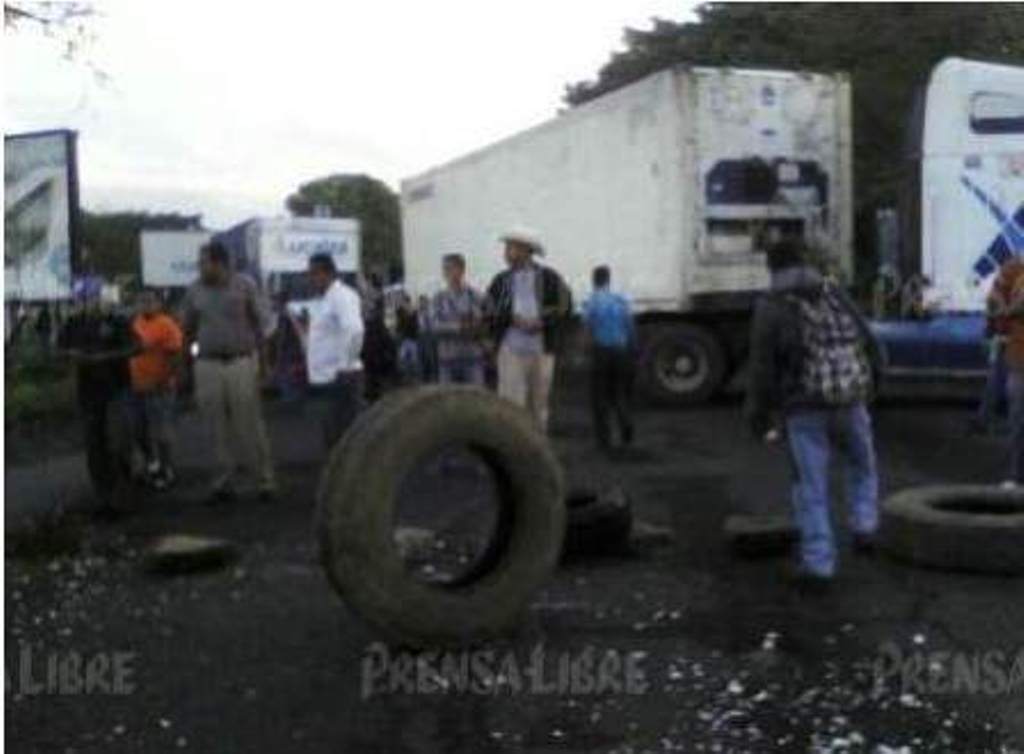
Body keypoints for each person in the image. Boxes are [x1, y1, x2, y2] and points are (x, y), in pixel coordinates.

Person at [744, 240, 883, 588]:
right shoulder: (834, 292)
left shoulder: (771, 306)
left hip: (804, 408)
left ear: (771, 269)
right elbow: (870, 342)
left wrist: (758, 417)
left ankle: (819, 564)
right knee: (862, 465)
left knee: (810, 485)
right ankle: (865, 527)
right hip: (851, 401)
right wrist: (870, 388)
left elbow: (762, 369)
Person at [181, 241, 277, 503]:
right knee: (214, 427)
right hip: (207, 364)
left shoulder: (245, 286)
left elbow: (261, 327)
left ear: (219, 263)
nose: (200, 268)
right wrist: (186, 368)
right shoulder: (194, 291)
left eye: (203, 263)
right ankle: (222, 483)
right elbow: (187, 331)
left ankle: (263, 481)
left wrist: (265, 365)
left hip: (241, 362)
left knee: (249, 425)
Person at [58, 276, 139, 510]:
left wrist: (106, 357)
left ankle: (123, 490)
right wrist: (72, 356)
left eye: (91, 297)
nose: (87, 302)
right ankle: (103, 496)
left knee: (118, 442)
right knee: (95, 446)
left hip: (117, 389)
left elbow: (137, 345)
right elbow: (59, 349)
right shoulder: (73, 324)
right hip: (89, 393)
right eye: (82, 298)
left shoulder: (116, 321)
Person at [486, 227, 573, 431]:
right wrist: (510, 318)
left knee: (539, 404)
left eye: (510, 248)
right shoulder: (501, 280)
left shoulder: (549, 277)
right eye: (506, 248)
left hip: (542, 350)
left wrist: (541, 322)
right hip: (511, 350)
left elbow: (566, 305)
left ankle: (536, 449)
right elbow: (488, 308)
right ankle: (511, 450)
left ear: (526, 250)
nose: (506, 253)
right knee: (509, 404)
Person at [304, 253, 366, 449]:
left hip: (340, 378)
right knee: (333, 435)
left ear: (328, 273)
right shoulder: (325, 300)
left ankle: (352, 477)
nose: (311, 279)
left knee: (345, 438)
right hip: (326, 378)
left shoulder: (342, 296)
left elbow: (355, 330)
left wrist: (346, 366)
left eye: (314, 274)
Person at [129, 289, 184, 490]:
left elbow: (175, 354)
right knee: (138, 430)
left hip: (160, 387)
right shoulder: (135, 324)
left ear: (159, 303)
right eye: (142, 300)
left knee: (162, 431)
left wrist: (165, 378)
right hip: (136, 386)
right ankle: (152, 464)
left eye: (150, 300)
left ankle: (167, 468)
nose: (145, 304)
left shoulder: (166, 324)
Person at [582, 265, 636, 453]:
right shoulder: (620, 300)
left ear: (593, 280)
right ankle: (626, 424)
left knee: (600, 396)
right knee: (619, 391)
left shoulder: (591, 302)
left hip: (601, 351)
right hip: (621, 351)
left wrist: (586, 349)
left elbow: (587, 328)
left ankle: (604, 439)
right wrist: (631, 348)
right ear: (608, 279)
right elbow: (630, 326)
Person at [973, 259, 1022, 435]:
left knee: (998, 379)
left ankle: (984, 418)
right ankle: (984, 418)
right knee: (999, 379)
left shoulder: (1014, 269)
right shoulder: (1014, 269)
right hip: (1007, 337)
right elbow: (994, 297)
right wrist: (1003, 314)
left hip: (1008, 336)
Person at [990, 258, 1024, 486]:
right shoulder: (1016, 271)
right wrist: (1005, 308)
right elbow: (994, 295)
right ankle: (1016, 475)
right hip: (1020, 360)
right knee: (1018, 422)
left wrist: (1007, 310)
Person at [432, 253, 487, 386]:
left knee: (475, 399)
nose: (447, 273)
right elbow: (434, 326)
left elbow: (482, 321)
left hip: (472, 357)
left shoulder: (475, 296)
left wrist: (472, 324)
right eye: (445, 269)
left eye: (450, 268)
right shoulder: (439, 298)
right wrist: (459, 326)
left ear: (462, 270)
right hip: (447, 358)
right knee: (448, 402)